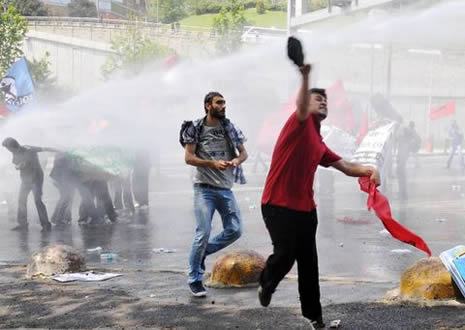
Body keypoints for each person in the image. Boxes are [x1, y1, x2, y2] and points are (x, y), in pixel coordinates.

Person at [258, 64, 380, 328]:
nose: (323, 102)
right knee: (286, 254)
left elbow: (346, 167)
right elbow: (301, 105)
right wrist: (304, 76)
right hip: (278, 205)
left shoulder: (317, 139)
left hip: (305, 211)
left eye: (326, 100)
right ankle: (266, 282)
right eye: (318, 98)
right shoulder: (298, 123)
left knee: (309, 266)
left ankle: (315, 317)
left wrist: (370, 169)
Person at [180, 91, 248, 297]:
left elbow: (244, 153)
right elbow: (189, 158)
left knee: (235, 229)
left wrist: (236, 161)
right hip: (204, 188)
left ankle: (202, 254)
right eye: (219, 103)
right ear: (207, 106)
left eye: (224, 102)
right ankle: (194, 279)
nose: (223, 106)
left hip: (225, 188)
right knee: (203, 232)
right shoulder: (195, 128)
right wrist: (212, 163)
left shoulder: (230, 127)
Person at [2, 137, 57, 231]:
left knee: (37, 200)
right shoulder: (14, 152)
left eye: (7, 148)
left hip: (36, 179)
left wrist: (58, 150)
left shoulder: (29, 148)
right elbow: (16, 163)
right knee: (21, 200)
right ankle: (22, 224)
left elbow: (44, 148)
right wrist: (18, 166)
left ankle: (46, 224)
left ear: (12, 146)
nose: (8, 150)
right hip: (25, 180)